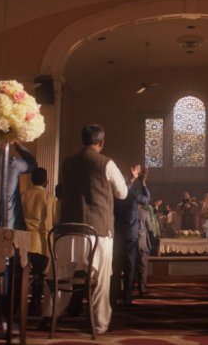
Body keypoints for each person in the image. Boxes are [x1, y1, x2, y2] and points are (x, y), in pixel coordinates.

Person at [43, 124, 132, 334]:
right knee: (100, 279)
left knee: (59, 276)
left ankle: (49, 315)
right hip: (97, 231)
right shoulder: (106, 163)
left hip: (67, 229)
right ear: (101, 142)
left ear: (82, 140)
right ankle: (99, 323)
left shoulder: (67, 163)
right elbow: (122, 193)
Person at [21, 167, 58, 315]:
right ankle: (34, 305)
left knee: (21, 274)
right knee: (39, 275)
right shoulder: (49, 197)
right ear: (46, 181)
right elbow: (54, 221)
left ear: (31, 180)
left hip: (23, 240)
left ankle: (17, 304)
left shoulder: (23, 196)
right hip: (40, 241)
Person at [112, 165, 150, 306]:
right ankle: (127, 298)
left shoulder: (115, 194)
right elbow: (146, 199)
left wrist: (132, 179)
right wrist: (143, 181)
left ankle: (114, 296)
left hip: (117, 234)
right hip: (131, 235)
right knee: (130, 266)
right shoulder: (133, 194)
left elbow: (123, 190)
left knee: (116, 266)